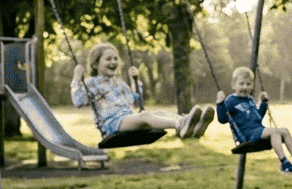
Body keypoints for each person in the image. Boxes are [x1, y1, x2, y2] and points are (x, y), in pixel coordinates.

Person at [71, 42, 213, 140]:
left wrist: (134, 81)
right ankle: (180, 125)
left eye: (115, 58)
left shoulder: (118, 82)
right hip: (112, 124)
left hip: (128, 118)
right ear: (95, 64)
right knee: (145, 115)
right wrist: (77, 79)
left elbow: (134, 98)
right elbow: (78, 101)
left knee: (159, 112)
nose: (113, 62)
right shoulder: (91, 82)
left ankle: (190, 123)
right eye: (108, 59)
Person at [215, 67, 292, 174]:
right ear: (233, 85)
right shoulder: (230, 100)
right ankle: (284, 163)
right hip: (247, 136)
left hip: (258, 131)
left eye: (248, 84)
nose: (245, 87)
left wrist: (263, 103)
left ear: (252, 85)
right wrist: (220, 103)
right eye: (241, 84)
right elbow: (223, 119)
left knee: (284, 131)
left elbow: (258, 117)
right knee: (274, 131)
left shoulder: (250, 99)